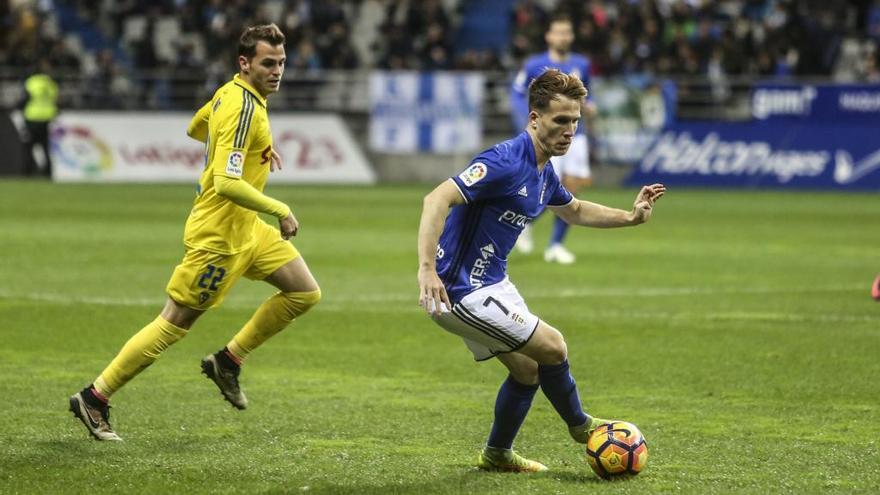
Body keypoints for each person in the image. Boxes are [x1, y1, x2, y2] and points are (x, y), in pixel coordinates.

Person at [69, 24, 322, 441]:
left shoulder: (230, 93)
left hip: (246, 230)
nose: (278, 70)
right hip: (218, 238)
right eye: (268, 63)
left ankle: (229, 361)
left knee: (303, 292)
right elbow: (225, 181)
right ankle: (95, 397)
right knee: (174, 322)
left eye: (281, 62)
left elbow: (195, 128)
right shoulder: (244, 108)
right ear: (245, 63)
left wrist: (251, 148)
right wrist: (281, 208)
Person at [417, 69, 665, 471]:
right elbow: (435, 199)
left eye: (575, 122)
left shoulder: (544, 171)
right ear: (534, 119)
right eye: (560, 121)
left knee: (529, 369)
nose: (569, 131)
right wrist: (427, 269)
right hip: (458, 290)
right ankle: (582, 427)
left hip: (492, 283)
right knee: (553, 347)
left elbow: (576, 210)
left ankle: (497, 454)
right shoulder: (502, 161)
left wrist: (631, 217)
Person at [510, 14, 596, 264]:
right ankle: (523, 222)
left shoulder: (582, 64)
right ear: (549, 36)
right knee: (549, 188)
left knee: (571, 189)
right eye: (558, 32)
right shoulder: (534, 64)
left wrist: (591, 107)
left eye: (567, 33)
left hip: (576, 135)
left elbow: (586, 95)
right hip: (548, 136)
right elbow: (516, 93)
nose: (563, 37)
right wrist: (526, 121)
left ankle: (555, 245)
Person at [22, 58, 58, 177]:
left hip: (32, 118)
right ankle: (48, 173)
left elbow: (25, 99)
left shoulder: (31, 82)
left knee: (28, 148)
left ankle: (27, 173)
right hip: (46, 119)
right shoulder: (50, 83)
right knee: (45, 148)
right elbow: (55, 100)